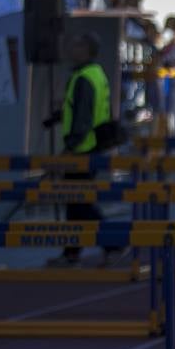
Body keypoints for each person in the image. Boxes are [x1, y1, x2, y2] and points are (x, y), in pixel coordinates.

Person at [48, 34, 113, 267]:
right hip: (91, 145)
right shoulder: (94, 74)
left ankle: (113, 243)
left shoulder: (84, 78)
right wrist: (57, 117)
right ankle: (72, 251)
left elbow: (84, 117)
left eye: (76, 44)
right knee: (76, 203)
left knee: (81, 202)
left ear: (86, 49)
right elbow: (79, 109)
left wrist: (71, 147)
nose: (71, 49)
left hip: (83, 148)